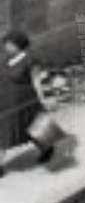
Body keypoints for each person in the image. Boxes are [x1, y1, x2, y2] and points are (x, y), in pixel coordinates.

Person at [1, 31, 55, 173]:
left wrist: (42, 99)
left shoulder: (30, 60)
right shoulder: (5, 60)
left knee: (31, 126)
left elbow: (37, 81)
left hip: (25, 100)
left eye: (8, 44)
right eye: (5, 44)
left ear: (18, 44)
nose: (5, 47)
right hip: (5, 101)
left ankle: (47, 148)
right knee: (4, 131)